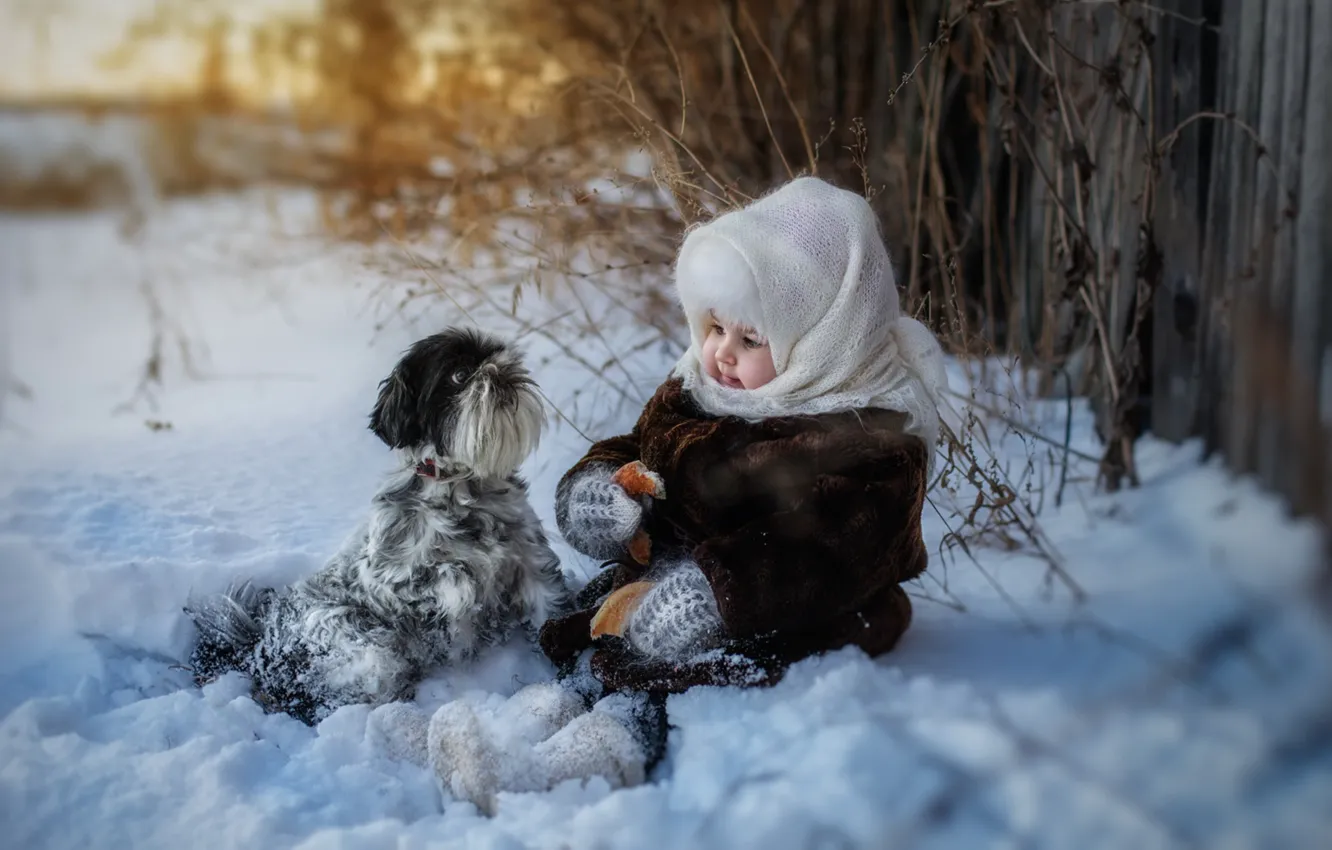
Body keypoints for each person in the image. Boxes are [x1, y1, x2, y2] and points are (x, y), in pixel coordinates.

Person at [366, 175, 955, 815]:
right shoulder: (701, 389)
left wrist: (716, 592)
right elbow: (639, 449)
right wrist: (599, 492)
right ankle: (508, 727)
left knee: (649, 690)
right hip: (654, 588)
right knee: (591, 652)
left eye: (751, 339)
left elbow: (834, 550)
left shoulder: (868, 439)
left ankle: (575, 762)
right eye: (714, 326)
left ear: (819, 341)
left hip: (778, 619)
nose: (721, 352)